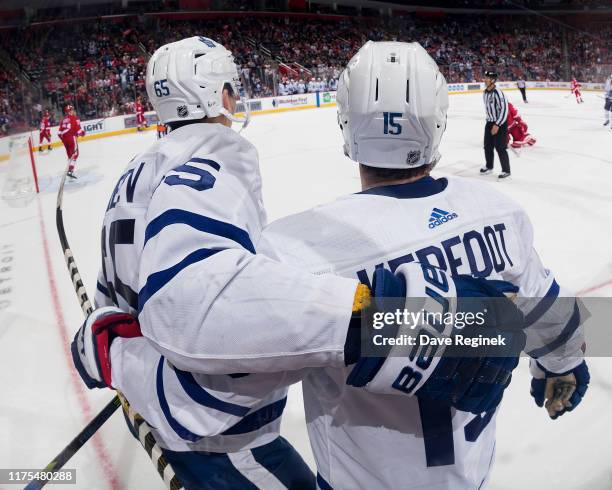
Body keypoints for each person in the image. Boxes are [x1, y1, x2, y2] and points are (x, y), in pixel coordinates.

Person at [71, 38, 526, 489]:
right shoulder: (502, 211)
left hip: (239, 447)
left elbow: (215, 367)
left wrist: (116, 353)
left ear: (346, 121)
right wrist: (564, 362)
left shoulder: (294, 248)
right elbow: (559, 318)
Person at [480, 70, 511, 179]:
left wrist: (497, 125)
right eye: (485, 77)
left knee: (500, 147)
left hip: (500, 123)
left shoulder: (498, 92)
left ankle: (506, 170)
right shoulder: (484, 93)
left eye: (487, 78)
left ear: (493, 80)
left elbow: (504, 110)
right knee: (487, 146)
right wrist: (490, 123)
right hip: (489, 122)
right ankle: (489, 166)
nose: (485, 80)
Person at [57, 104, 85, 179]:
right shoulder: (74, 118)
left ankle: (69, 170)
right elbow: (78, 131)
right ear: (69, 111)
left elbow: (59, 133)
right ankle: (70, 170)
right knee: (75, 154)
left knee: (70, 156)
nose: (73, 111)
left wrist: (64, 139)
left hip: (65, 140)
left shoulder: (63, 120)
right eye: (72, 110)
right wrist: (82, 133)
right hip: (71, 138)